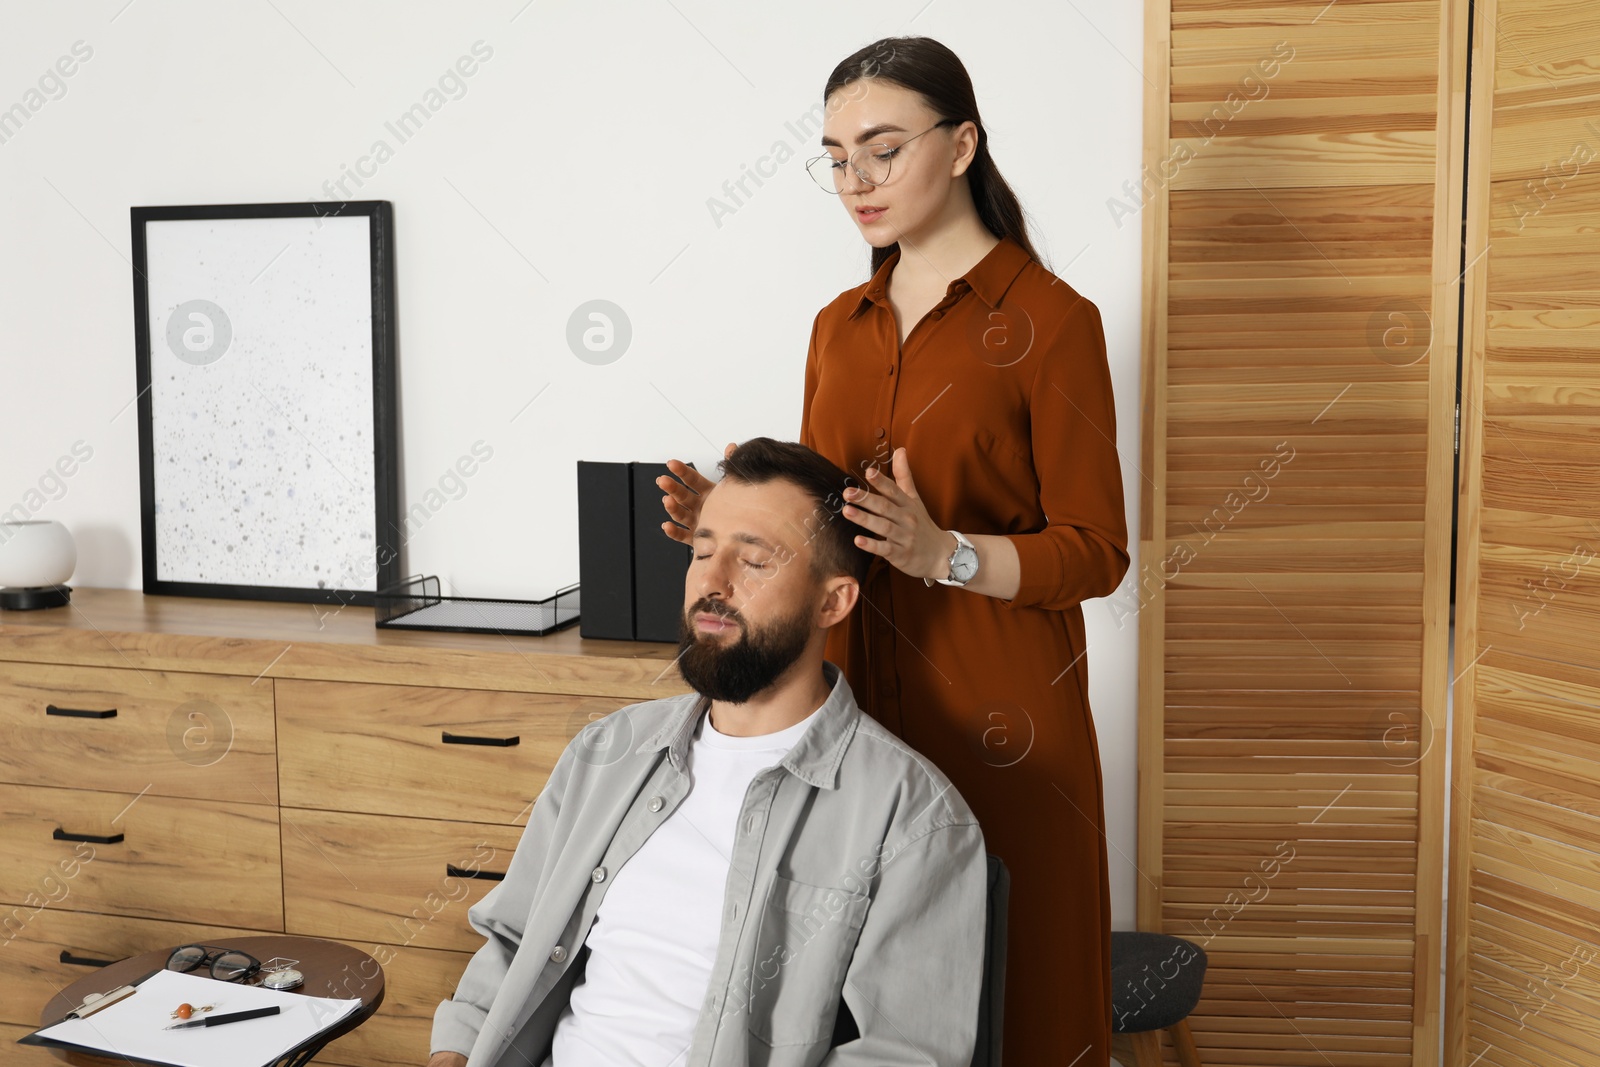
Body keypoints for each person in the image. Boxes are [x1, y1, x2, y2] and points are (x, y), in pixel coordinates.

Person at [660, 37, 1129, 1065]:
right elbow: (830, 526)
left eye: (880, 150)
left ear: (962, 144)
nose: (854, 183)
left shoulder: (1053, 322)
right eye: (834, 157)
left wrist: (947, 553)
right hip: (853, 711)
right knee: (853, 994)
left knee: (1018, 1000)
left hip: (1004, 719)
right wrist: (739, 518)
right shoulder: (838, 326)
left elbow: (1096, 554)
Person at [429, 437, 989, 1067]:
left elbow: (906, 1054)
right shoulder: (606, 751)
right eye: (702, 551)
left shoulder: (915, 818)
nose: (712, 583)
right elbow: (515, 939)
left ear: (834, 601)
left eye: (754, 562)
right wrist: (453, 1053)